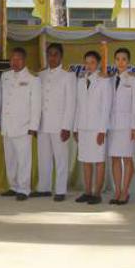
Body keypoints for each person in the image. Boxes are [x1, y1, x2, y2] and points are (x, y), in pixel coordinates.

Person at [0, 47, 41, 201]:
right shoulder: (5, 76)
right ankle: (13, 186)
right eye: (12, 59)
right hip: (7, 126)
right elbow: (3, 101)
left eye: (18, 59)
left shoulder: (33, 79)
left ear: (24, 60)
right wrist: (0, 122)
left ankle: (24, 189)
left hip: (24, 126)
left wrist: (33, 127)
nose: (14, 62)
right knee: (10, 159)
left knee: (23, 160)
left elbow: (36, 105)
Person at [37, 43, 77, 202]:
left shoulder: (68, 76)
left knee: (61, 158)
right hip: (42, 124)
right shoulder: (40, 75)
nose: (52, 57)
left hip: (59, 124)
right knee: (43, 157)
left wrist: (66, 127)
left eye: (55, 54)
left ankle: (60, 190)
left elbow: (71, 103)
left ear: (61, 56)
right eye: (49, 54)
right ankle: (44, 188)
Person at [74, 50, 112, 205]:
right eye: (87, 62)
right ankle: (87, 191)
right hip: (83, 126)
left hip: (97, 128)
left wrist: (102, 130)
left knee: (99, 160)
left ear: (98, 64)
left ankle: (97, 193)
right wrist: (75, 128)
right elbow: (78, 106)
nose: (89, 66)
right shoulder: (80, 81)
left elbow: (106, 107)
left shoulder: (104, 81)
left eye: (92, 62)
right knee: (86, 160)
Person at [108, 48, 135, 205]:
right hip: (112, 125)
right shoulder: (110, 79)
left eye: (124, 59)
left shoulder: (134, 79)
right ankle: (117, 191)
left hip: (127, 125)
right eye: (118, 59)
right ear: (114, 61)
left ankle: (125, 191)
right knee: (115, 158)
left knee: (127, 158)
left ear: (129, 62)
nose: (121, 62)